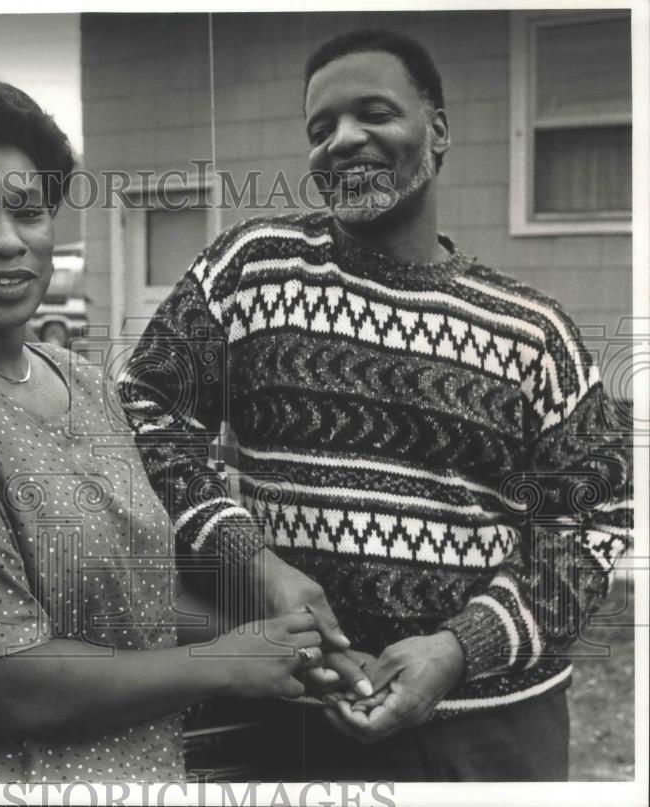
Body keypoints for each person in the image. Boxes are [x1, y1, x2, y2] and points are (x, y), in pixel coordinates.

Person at [118, 29, 631, 781]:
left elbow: (595, 515)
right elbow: (148, 401)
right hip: (287, 717)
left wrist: (461, 647)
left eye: (374, 113)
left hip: (488, 734)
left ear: (440, 131)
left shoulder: (533, 330)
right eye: (319, 129)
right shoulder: (254, 270)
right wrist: (248, 559)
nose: (342, 141)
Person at [0, 77, 340, 784]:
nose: (8, 241)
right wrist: (233, 661)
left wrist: (297, 645)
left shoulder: (84, 382)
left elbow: (136, 595)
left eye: (28, 212)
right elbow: (15, 686)